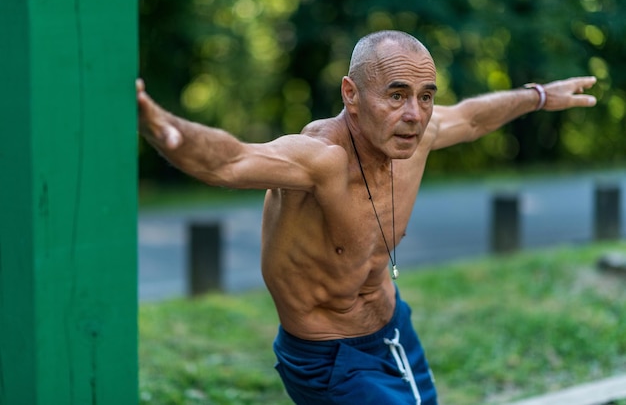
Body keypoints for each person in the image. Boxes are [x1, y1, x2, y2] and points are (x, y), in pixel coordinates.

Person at [137, 30, 597, 404]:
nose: (414, 114)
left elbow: (473, 118)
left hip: (394, 329)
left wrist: (538, 96)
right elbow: (228, 162)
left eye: (425, 96)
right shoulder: (319, 160)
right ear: (351, 94)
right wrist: (161, 127)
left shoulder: (417, 137)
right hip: (330, 357)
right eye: (396, 95)